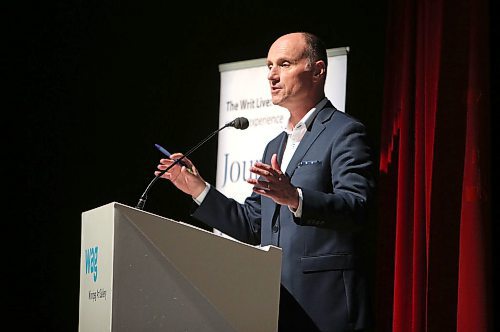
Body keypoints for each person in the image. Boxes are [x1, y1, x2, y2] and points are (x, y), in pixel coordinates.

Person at [155, 32, 375, 332]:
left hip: (326, 305)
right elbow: (252, 225)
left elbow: (357, 207)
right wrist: (197, 188)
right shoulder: (274, 146)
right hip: (274, 305)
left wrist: (295, 197)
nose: (272, 75)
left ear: (318, 70)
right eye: (269, 65)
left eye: (284, 64)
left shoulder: (345, 133)